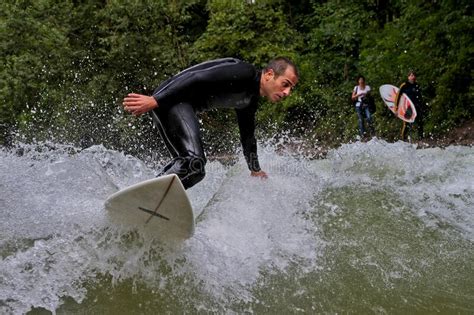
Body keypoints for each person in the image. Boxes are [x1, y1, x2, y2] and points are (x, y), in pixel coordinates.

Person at [122, 57, 299, 189]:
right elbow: (195, 76)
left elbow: (248, 137)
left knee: (195, 170)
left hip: (173, 104)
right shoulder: (244, 72)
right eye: (285, 84)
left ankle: (148, 195)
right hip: (172, 99)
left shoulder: (249, 100)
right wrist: (156, 100)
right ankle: (150, 195)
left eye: (291, 88)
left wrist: (255, 169)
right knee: (194, 162)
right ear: (269, 75)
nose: (287, 92)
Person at [395, 70, 425, 141]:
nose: (413, 77)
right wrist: (396, 109)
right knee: (406, 124)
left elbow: (419, 97)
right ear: (408, 77)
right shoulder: (404, 85)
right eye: (411, 75)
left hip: (416, 107)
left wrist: (422, 106)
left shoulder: (417, 85)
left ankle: (420, 140)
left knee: (420, 123)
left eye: (414, 75)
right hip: (407, 107)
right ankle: (403, 139)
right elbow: (398, 96)